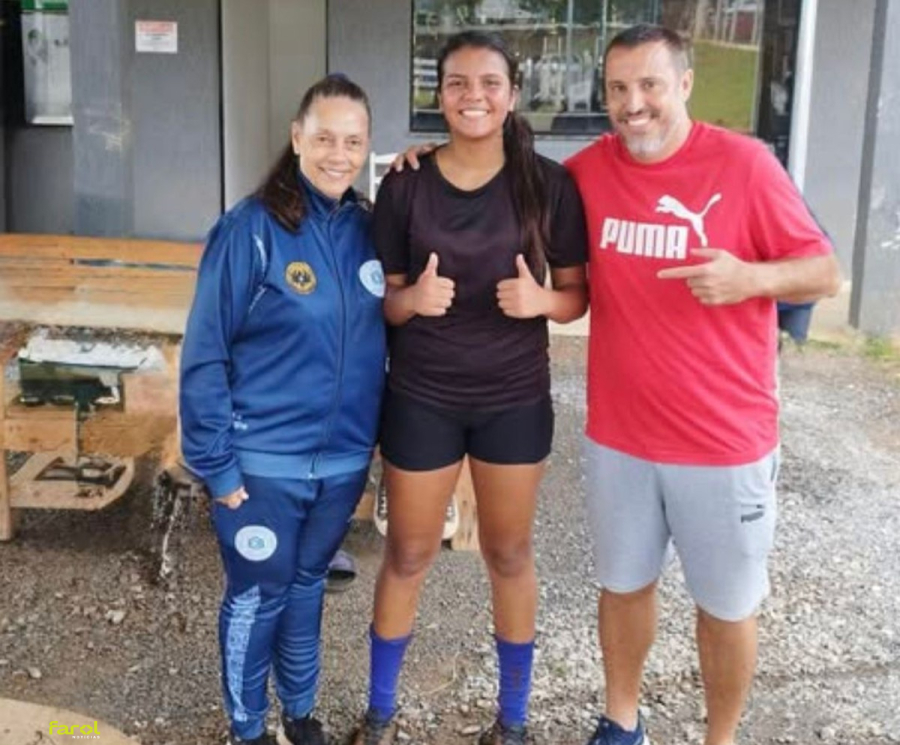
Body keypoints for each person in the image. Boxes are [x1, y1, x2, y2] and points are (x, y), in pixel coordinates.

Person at [564, 25, 842, 745]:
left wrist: (752, 278)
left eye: (650, 85)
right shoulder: (589, 171)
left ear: (685, 84)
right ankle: (622, 719)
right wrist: (421, 159)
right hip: (619, 435)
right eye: (618, 89)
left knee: (725, 606)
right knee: (623, 587)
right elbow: (501, 176)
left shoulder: (746, 164)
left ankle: (719, 737)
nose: (634, 104)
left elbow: (822, 270)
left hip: (723, 443)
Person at [352, 31, 589, 745]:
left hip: (513, 398)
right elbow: (384, 300)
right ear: (440, 96)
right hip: (422, 395)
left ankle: (512, 721)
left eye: (489, 82)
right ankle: (381, 712)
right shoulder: (405, 183)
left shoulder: (548, 184)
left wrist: (542, 303)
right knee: (408, 553)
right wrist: (411, 302)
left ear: (512, 95)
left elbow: (577, 293)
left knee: (510, 553)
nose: (473, 96)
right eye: (457, 82)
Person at [179, 75, 386, 745]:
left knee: (304, 589)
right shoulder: (250, 229)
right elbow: (205, 353)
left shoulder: (366, 228)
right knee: (258, 592)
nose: (338, 153)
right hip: (261, 465)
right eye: (324, 137)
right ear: (297, 137)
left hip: (341, 464)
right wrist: (218, 465)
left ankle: (299, 712)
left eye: (353, 141)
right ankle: (247, 729)